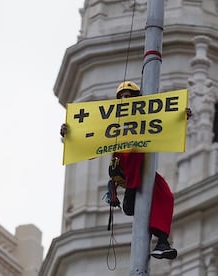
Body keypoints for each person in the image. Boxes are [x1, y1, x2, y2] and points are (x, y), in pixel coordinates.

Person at [61, 81, 192, 260]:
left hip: (142, 171)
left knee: (165, 194)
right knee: (132, 152)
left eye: (128, 96)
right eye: (121, 97)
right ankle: (131, 192)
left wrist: (181, 117)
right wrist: (69, 133)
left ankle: (162, 241)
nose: (124, 99)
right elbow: (89, 144)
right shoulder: (111, 122)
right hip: (125, 166)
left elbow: (167, 124)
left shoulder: (147, 119)